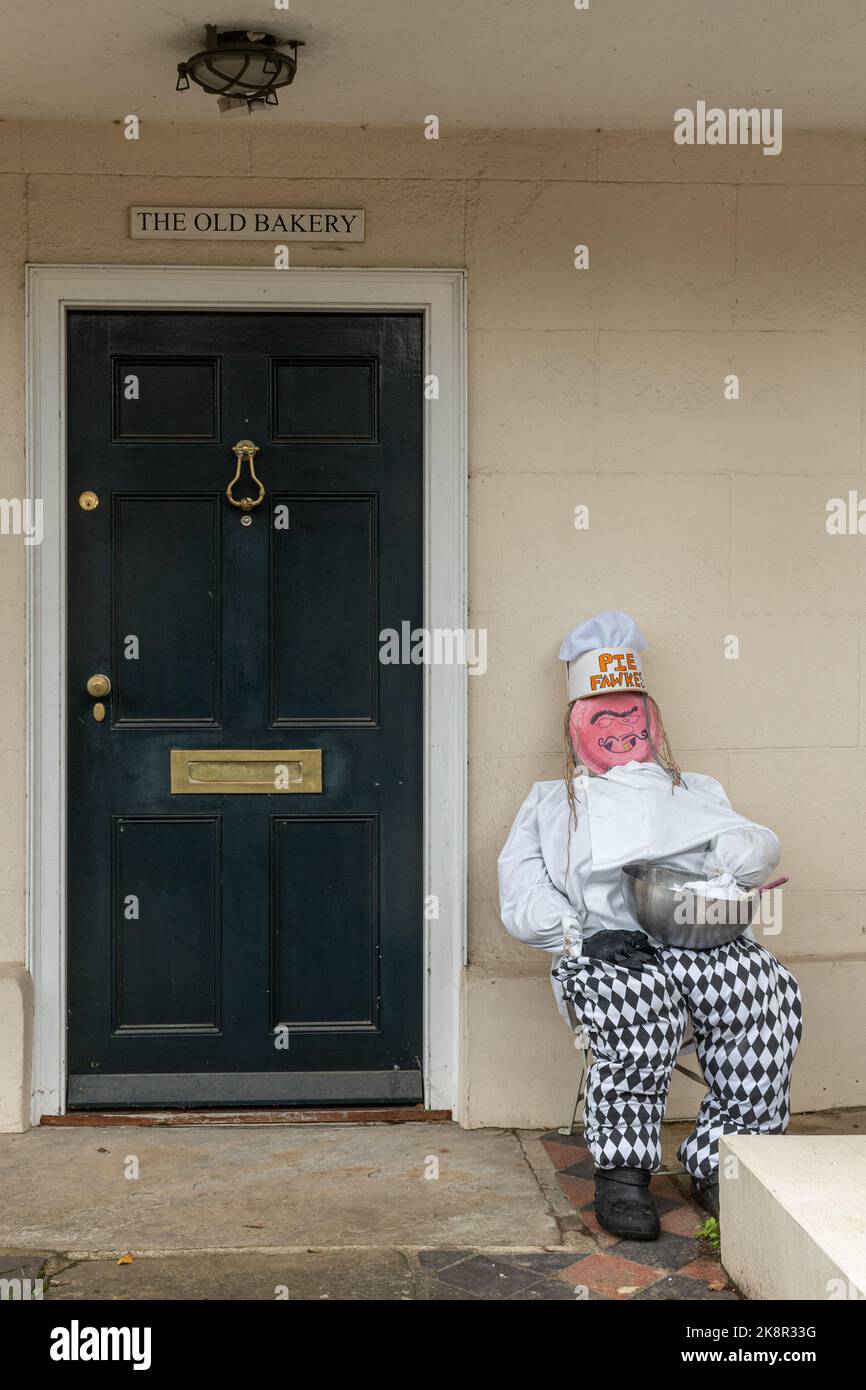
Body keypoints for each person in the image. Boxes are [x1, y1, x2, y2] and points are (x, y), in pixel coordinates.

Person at [498, 610, 802, 1240]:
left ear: (652, 721)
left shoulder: (694, 786)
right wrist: (575, 935)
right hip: (606, 951)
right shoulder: (551, 801)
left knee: (766, 997)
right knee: (641, 1013)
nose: (619, 728)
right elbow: (521, 888)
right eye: (602, 717)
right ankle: (623, 1174)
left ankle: (725, 1159)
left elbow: (749, 848)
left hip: (695, 935)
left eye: (630, 715)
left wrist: (738, 861)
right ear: (578, 727)